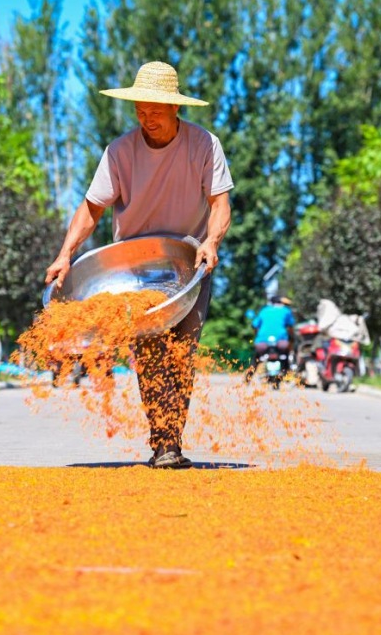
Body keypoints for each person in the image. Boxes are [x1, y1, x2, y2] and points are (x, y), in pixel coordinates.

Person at [45, 61, 234, 469]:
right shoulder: (119, 152)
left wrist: (211, 242)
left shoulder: (204, 145)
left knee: (181, 355)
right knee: (150, 356)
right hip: (133, 271)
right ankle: (163, 444)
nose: (147, 120)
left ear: (174, 109)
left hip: (189, 265)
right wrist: (65, 254)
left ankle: (173, 437)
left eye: (155, 112)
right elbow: (91, 209)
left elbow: (220, 205)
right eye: (140, 111)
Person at [245, 295, 295, 382]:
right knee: (286, 355)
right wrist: (291, 338)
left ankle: (248, 378)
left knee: (256, 359)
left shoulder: (264, 310)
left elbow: (255, 325)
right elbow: (290, 327)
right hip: (281, 342)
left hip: (262, 343)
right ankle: (287, 374)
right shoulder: (286, 311)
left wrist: (258, 336)